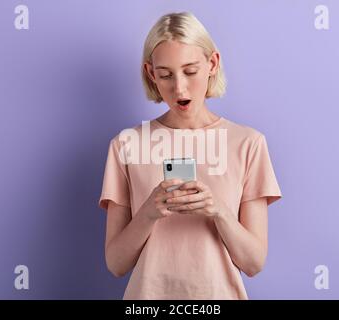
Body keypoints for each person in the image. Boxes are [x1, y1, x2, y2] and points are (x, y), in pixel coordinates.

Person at [98, 12, 282, 299]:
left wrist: (218, 209)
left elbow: (254, 262)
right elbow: (116, 264)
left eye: (190, 71)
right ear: (150, 74)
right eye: (165, 74)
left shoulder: (248, 144)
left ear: (212, 64)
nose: (179, 88)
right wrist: (148, 212)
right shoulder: (126, 145)